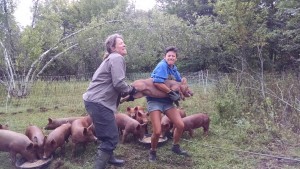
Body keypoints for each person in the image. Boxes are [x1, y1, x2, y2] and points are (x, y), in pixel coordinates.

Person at [83, 33, 136, 169]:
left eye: (124, 42)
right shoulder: (117, 58)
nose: (124, 44)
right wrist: (131, 89)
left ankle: (110, 158)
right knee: (112, 137)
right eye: (120, 43)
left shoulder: (110, 58)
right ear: (113, 48)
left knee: (104, 133)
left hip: (94, 101)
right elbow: (118, 83)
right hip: (100, 102)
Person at [147, 46, 190, 162]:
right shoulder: (162, 66)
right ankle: (153, 151)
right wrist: (170, 92)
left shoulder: (174, 69)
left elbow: (179, 82)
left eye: (173, 56)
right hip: (154, 100)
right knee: (157, 131)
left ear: (176, 58)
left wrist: (185, 91)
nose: (171, 57)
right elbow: (157, 82)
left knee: (180, 125)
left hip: (167, 102)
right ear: (165, 57)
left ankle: (175, 147)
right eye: (169, 55)